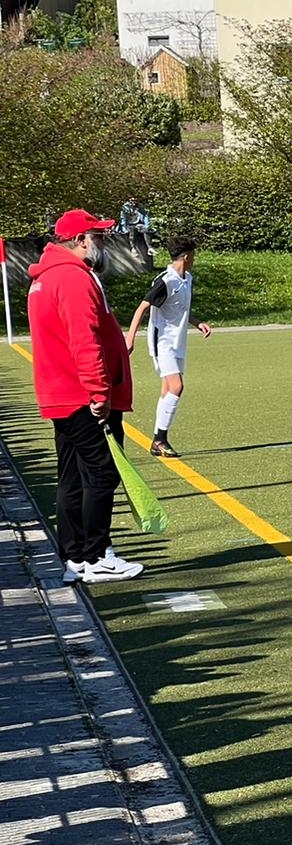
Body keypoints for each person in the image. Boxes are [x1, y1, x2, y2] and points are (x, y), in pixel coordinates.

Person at [26, 209, 144, 583]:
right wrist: (99, 391)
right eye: (99, 236)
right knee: (100, 472)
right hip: (81, 394)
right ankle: (95, 555)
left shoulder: (49, 276)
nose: (104, 242)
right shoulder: (72, 277)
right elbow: (84, 339)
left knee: (73, 475)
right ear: (80, 240)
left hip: (63, 391)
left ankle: (75, 556)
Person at [124, 236, 212, 458]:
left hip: (178, 342)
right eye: (193, 255)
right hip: (162, 341)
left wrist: (197, 322)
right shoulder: (166, 281)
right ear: (186, 256)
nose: (194, 259)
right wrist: (130, 338)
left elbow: (180, 308)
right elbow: (142, 308)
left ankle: (157, 441)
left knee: (167, 390)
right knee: (176, 386)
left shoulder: (187, 279)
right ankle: (160, 439)